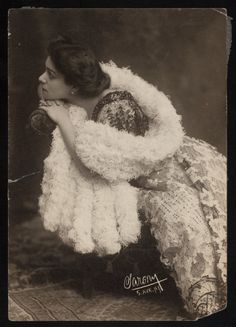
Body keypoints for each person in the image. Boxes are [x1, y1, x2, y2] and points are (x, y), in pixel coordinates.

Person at [32, 35, 226, 319]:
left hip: (165, 170)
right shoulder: (70, 95)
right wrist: (51, 110)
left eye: (50, 74)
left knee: (183, 213)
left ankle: (207, 298)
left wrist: (62, 121)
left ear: (73, 85)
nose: (41, 78)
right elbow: (38, 121)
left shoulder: (117, 106)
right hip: (131, 176)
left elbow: (103, 168)